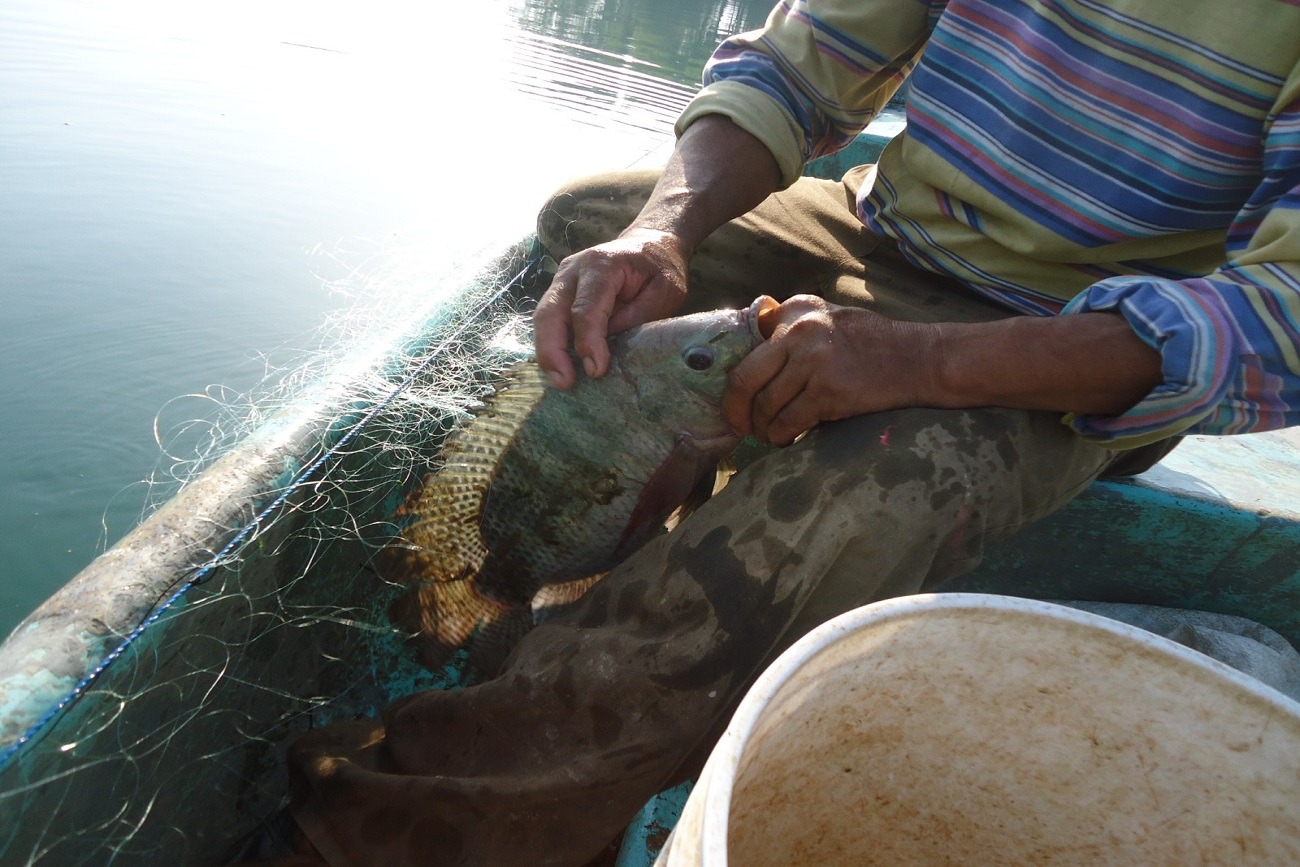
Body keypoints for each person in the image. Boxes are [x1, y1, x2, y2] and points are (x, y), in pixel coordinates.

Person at [275, 1, 1299, 865]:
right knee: (586, 231)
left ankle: (399, 820)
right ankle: (596, 548)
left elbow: (1280, 319)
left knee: (877, 493)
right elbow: (801, 65)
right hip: (880, 233)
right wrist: (661, 231)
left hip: (1075, 342)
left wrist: (922, 364)